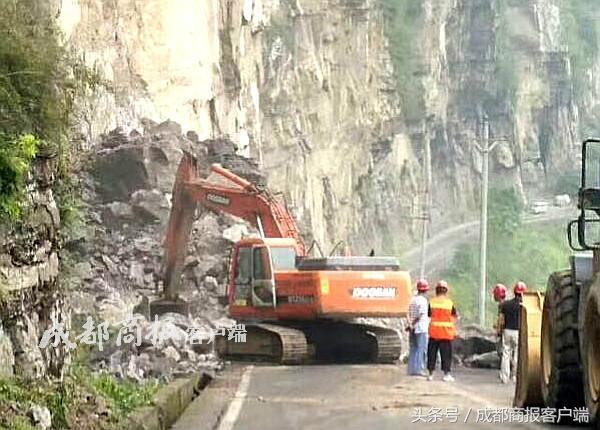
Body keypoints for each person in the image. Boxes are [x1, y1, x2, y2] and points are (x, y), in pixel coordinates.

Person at [427, 280, 458, 382]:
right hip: (446, 333)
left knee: (432, 353)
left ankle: (431, 374)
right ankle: (446, 374)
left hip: (434, 332)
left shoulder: (432, 302)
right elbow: (454, 315)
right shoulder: (449, 303)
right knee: (446, 355)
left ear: (437, 290)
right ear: (446, 291)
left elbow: (429, 315)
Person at [498, 281, 527, 384]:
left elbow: (501, 320)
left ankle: (504, 377)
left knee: (506, 354)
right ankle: (514, 377)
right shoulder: (523, 307)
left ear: (514, 292)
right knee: (517, 355)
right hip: (518, 332)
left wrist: (499, 331)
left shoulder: (506, 304)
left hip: (507, 331)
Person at [407, 279, 430, 376]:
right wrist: (412, 323)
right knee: (421, 349)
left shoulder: (412, 300)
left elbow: (407, 313)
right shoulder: (423, 301)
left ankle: (411, 369)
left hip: (412, 328)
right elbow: (420, 315)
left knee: (413, 349)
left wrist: (409, 325)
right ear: (425, 290)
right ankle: (419, 370)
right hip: (420, 328)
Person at [492, 284, 507, 358]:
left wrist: (499, 330)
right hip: (507, 329)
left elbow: (501, 318)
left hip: (505, 331)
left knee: (501, 350)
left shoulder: (502, 305)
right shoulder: (504, 303)